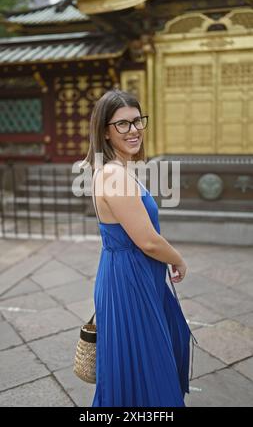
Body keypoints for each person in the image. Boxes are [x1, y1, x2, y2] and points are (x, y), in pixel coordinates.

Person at [82, 89, 193, 407]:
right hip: (129, 282)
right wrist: (178, 258)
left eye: (137, 121)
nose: (133, 130)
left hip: (131, 276)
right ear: (105, 130)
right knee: (146, 367)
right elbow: (147, 241)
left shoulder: (116, 170)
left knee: (138, 365)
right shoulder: (114, 175)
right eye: (122, 124)